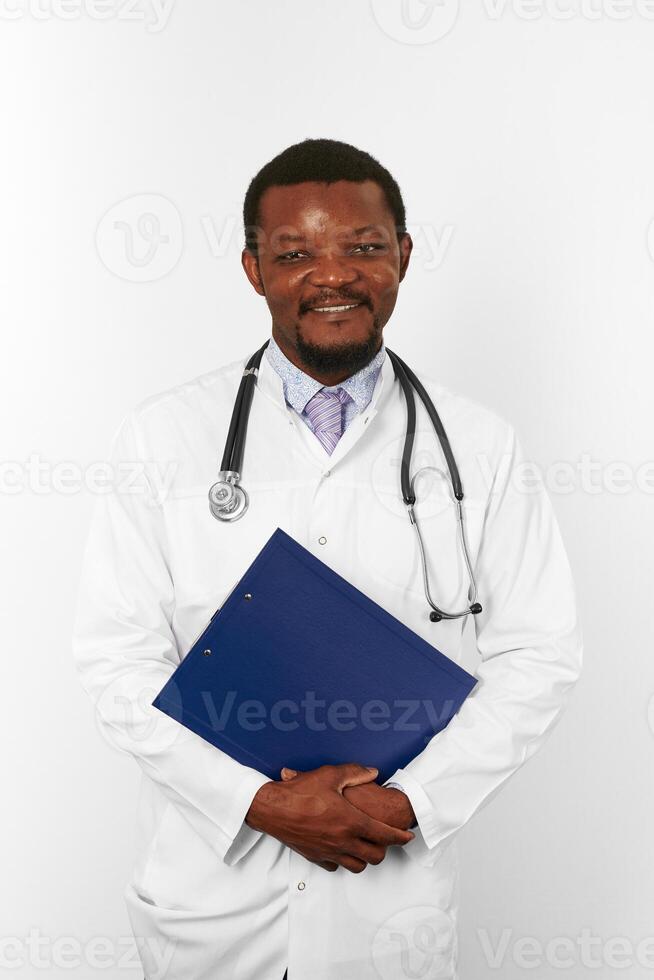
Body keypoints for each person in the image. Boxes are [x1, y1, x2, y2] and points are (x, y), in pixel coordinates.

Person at [72, 138, 583, 980]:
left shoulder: (481, 446)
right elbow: (115, 663)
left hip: (389, 891)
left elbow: (541, 655)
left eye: (364, 247)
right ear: (253, 268)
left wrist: (409, 802)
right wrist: (261, 805)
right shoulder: (164, 437)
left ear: (404, 256)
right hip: (211, 902)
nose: (332, 275)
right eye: (296, 252)